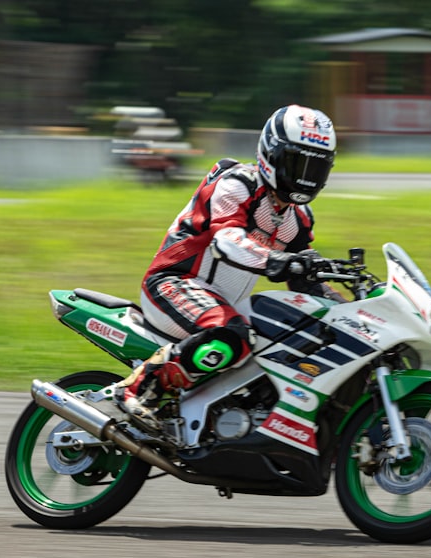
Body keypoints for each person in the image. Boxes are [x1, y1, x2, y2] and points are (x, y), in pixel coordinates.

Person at [114, 104, 343, 421]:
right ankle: (137, 388)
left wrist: (350, 306)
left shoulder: (298, 218)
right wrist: (278, 260)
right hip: (174, 284)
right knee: (231, 335)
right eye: (296, 163)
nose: (305, 177)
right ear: (271, 154)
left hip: (221, 303)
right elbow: (228, 242)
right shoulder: (238, 183)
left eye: (314, 168)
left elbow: (307, 284)